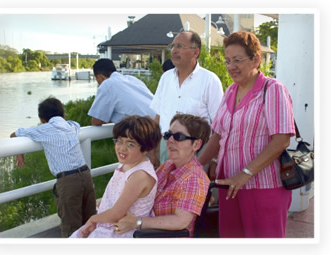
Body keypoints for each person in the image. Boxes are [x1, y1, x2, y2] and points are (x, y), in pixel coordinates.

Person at [198, 31, 295, 238]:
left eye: (238, 60)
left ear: (256, 59)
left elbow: (281, 140)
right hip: (228, 186)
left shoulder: (273, 89)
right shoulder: (230, 91)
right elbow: (217, 136)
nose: (231, 66)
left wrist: (246, 174)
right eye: (227, 61)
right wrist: (195, 167)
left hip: (262, 187)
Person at [10, 96, 96, 237]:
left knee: (71, 226)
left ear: (42, 119)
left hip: (68, 181)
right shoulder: (72, 125)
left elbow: (14, 134)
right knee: (91, 221)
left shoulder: (43, 129)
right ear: (63, 114)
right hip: (86, 175)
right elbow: (74, 124)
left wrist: (19, 153)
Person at [115, 114, 211, 237]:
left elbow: (180, 221)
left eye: (178, 137)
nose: (170, 140)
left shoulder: (194, 179)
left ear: (196, 145)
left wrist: (137, 222)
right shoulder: (166, 166)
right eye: (168, 135)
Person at [69, 115, 162, 238]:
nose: (122, 148)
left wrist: (93, 219)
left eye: (130, 144)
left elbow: (116, 214)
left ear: (145, 148)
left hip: (120, 231)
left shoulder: (139, 175)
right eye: (119, 141)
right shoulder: (127, 164)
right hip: (108, 224)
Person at [149, 31, 223, 168]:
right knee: (167, 189)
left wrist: (214, 161)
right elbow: (158, 117)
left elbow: (219, 125)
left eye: (180, 46)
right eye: (173, 46)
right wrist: (152, 151)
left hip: (197, 151)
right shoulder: (166, 78)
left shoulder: (210, 80)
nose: (174, 50)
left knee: (195, 189)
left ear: (196, 52)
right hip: (167, 147)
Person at [88, 58, 156, 126]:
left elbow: (97, 121)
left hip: (146, 128)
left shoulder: (107, 85)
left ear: (100, 77)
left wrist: (110, 117)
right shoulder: (132, 79)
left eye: (96, 79)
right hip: (159, 123)